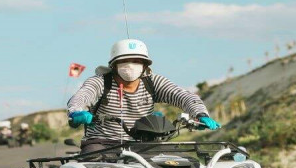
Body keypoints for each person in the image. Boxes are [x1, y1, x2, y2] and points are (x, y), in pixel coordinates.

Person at [67, 39, 220, 153]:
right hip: (102, 144)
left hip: (143, 144)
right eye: (124, 61)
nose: (130, 66)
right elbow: (82, 96)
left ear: (145, 65)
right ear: (113, 65)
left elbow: (183, 96)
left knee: (175, 167)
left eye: (136, 61)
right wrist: (77, 111)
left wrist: (200, 114)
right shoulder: (100, 82)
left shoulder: (153, 82)